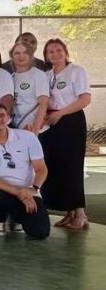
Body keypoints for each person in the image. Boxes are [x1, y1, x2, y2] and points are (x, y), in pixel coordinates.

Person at [0, 103, 50, 239]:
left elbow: (41, 169)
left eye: (2, 115)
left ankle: (17, 219)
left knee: (40, 232)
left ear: (7, 118)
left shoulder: (28, 137)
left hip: (29, 193)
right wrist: (19, 192)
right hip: (2, 193)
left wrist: (32, 189)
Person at [41, 38, 92, 230]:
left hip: (70, 121)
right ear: (46, 56)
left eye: (58, 50)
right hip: (50, 125)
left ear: (65, 52)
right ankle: (69, 213)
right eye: (51, 51)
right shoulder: (46, 75)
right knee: (56, 166)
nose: (55, 54)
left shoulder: (76, 71)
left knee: (72, 166)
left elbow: (85, 99)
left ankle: (80, 213)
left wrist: (60, 114)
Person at [9, 42, 50, 134]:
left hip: (36, 130)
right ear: (12, 57)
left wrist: (35, 129)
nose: (21, 56)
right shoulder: (11, 77)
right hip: (17, 129)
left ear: (31, 56)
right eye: (17, 53)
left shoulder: (38, 75)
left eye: (25, 53)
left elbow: (43, 103)